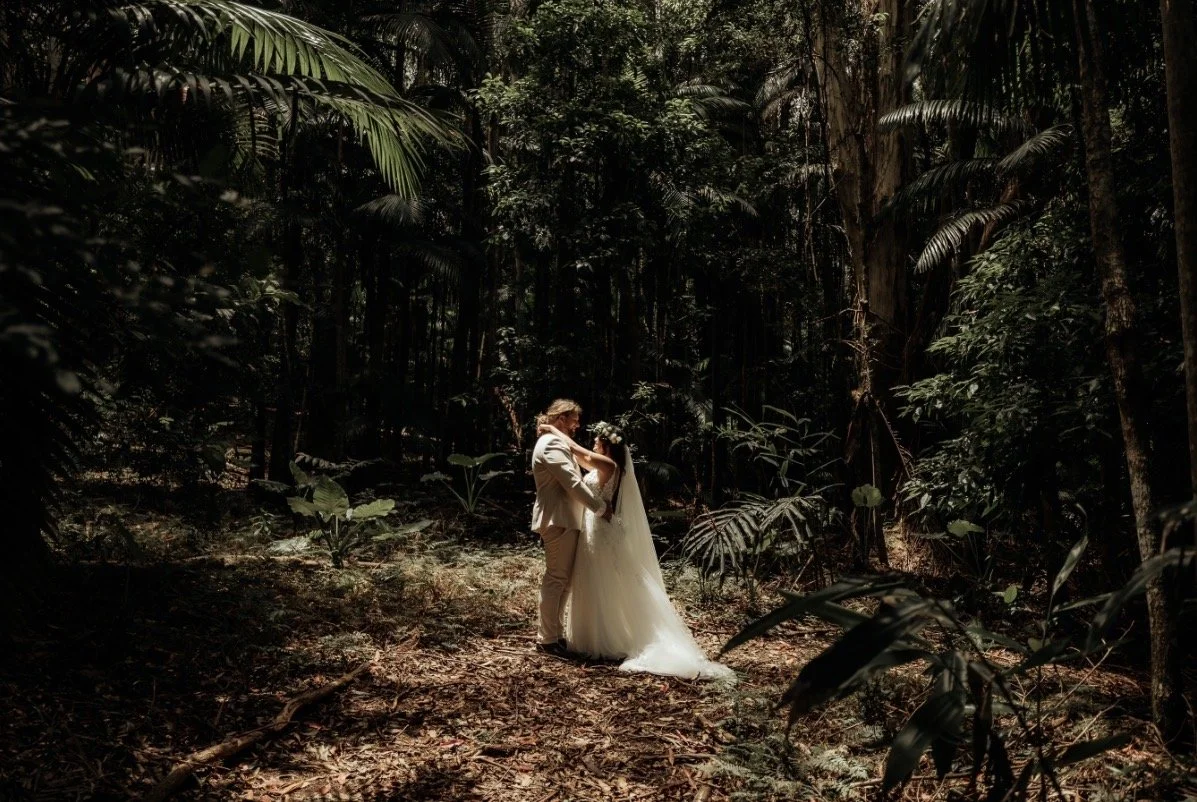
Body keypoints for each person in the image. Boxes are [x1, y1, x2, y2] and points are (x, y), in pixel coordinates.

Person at [538, 419, 734, 680]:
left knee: (604, 580)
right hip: (594, 526)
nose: (593, 443)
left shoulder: (609, 464)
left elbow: (578, 452)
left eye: (597, 440)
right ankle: (591, 636)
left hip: (600, 529)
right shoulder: (604, 463)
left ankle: (606, 638)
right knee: (593, 580)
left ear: (606, 445)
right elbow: (583, 461)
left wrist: (554, 431)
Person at [530, 399, 612, 657]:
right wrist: (599, 508)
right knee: (556, 579)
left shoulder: (556, 441)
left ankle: (554, 636)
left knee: (562, 581)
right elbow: (572, 483)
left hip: (565, 519)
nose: (577, 426)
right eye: (574, 420)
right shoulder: (551, 443)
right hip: (558, 519)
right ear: (561, 418)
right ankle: (547, 640)